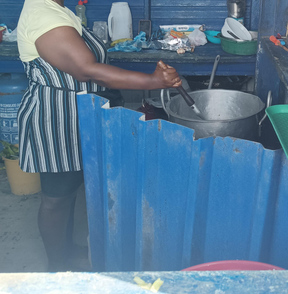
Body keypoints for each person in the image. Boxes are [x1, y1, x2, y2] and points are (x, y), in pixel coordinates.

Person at [16, 0, 182, 272]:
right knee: (57, 197)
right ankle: (57, 267)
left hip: (77, 111)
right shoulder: (41, 13)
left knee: (69, 191)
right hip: (56, 116)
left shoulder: (57, 9)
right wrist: (152, 81)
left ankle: (66, 250)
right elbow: (86, 69)